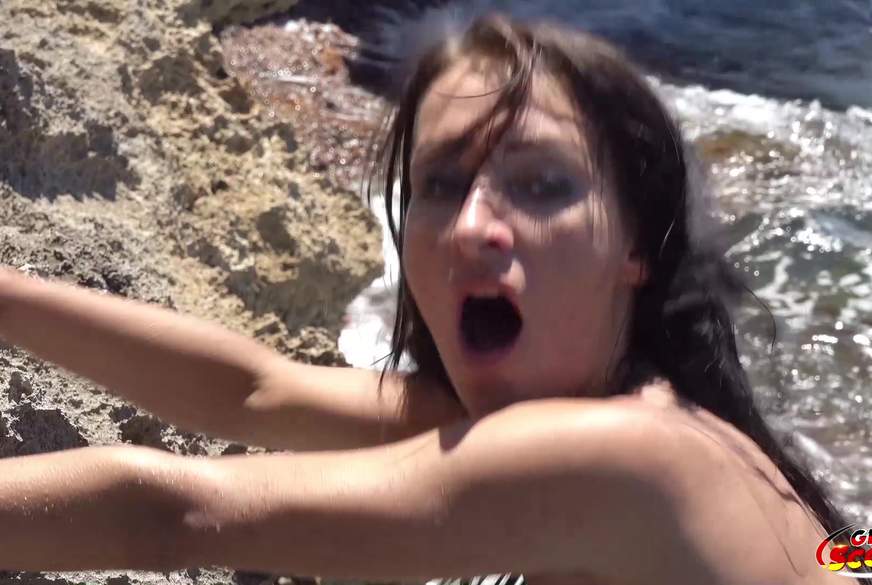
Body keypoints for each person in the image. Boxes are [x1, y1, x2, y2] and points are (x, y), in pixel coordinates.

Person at [0, 11, 855, 585]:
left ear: (637, 246)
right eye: (442, 185)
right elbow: (254, 389)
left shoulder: (623, 453)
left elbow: (173, 513)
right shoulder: (646, 419)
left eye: (543, 185)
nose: (473, 226)